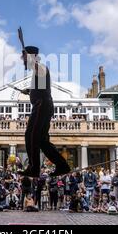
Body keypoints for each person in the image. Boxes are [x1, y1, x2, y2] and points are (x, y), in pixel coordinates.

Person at [17, 45, 70, 177]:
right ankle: (62, 165)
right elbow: (41, 87)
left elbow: (37, 69)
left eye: (23, 56)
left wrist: (29, 58)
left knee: (31, 135)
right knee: (42, 140)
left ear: (30, 57)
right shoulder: (38, 71)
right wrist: (29, 91)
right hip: (43, 106)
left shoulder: (40, 67)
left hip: (42, 106)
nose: (21, 59)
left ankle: (34, 168)